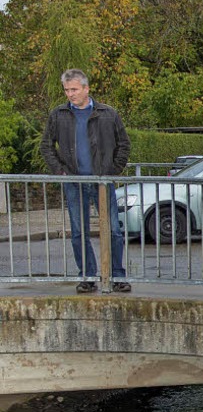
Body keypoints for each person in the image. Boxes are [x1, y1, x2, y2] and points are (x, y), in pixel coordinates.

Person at [40, 68, 131, 294]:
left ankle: (117, 277)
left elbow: (124, 144)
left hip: (102, 181)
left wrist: (112, 170)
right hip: (74, 181)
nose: (70, 94)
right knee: (79, 232)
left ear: (86, 88)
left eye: (74, 89)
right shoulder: (58, 114)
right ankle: (88, 277)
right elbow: (46, 146)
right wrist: (61, 172)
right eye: (66, 90)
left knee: (113, 231)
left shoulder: (108, 114)